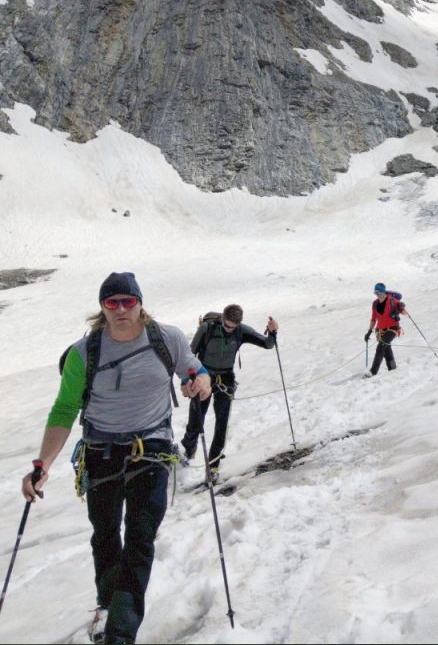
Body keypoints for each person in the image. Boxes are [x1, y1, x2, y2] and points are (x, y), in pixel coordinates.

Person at [21, 272, 211, 645]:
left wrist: (199, 380)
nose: (122, 309)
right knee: (106, 535)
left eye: (128, 301)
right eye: (112, 303)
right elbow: (64, 410)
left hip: (152, 448)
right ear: (102, 308)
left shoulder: (166, 338)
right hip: (100, 452)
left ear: (140, 303)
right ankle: (107, 606)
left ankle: (119, 634)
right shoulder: (84, 353)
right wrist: (41, 464)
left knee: (140, 536)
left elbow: (193, 368)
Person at [180, 304, 278, 477]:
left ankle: (213, 466)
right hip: (204, 377)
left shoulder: (241, 331)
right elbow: (189, 355)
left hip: (226, 379)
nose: (229, 330)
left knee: (221, 426)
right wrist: (187, 379)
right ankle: (188, 451)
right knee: (196, 420)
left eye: (233, 327)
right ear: (222, 318)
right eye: (226, 325)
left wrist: (272, 332)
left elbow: (268, 344)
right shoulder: (207, 328)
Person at [364, 283, 405, 376]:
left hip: (393, 329)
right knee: (387, 349)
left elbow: (404, 312)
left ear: (383, 292)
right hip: (380, 331)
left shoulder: (392, 301)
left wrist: (400, 309)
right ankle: (393, 368)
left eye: (378, 293)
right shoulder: (375, 304)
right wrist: (369, 332)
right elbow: (373, 319)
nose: (377, 295)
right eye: (375, 293)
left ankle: (373, 372)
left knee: (381, 346)